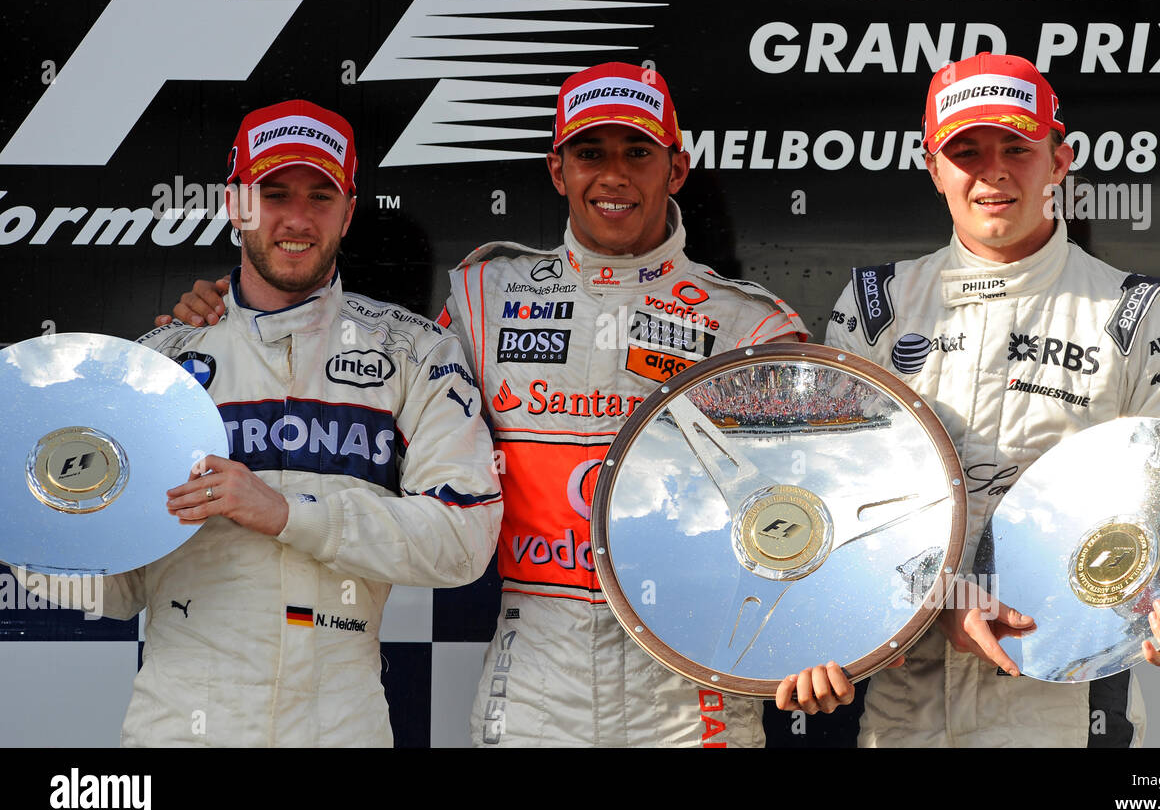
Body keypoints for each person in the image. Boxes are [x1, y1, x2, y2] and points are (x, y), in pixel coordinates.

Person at [163, 66, 809, 747]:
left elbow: (800, 513)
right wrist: (224, 321)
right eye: (591, 153)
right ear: (558, 171)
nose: (613, 176)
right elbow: (371, 390)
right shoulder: (484, 297)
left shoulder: (752, 328)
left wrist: (808, 638)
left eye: (638, 153)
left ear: (676, 168)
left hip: (689, 692)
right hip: (530, 686)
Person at [793, 53, 1160, 746]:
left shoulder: (1133, 313)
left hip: (1067, 709)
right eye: (965, 150)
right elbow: (832, 504)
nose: (992, 171)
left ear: (1059, 160)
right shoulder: (876, 307)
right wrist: (942, 606)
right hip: (904, 711)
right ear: (933, 166)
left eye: (1016, 148)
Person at [40, 99, 504, 747]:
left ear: (348, 211)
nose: (296, 217)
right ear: (236, 205)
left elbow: (463, 540)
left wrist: (288, 512)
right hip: (181, 728)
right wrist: (32, 521)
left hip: (341, 724)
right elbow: (116, 591)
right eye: (273, 192)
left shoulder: (417, 354)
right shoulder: (158, 365)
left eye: (320, 195)